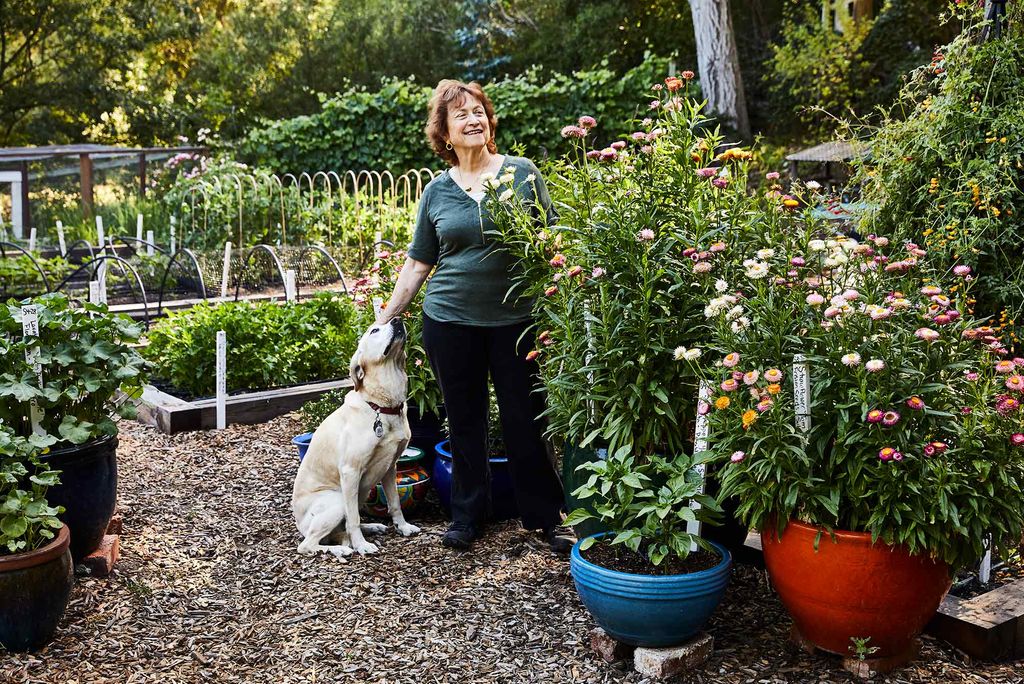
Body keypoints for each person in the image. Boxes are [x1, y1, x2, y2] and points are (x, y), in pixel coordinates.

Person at [375, 79, 573, 553]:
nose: (474, 119)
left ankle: (545, 516)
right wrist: (385, 316)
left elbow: (552, 243)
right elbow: (420, 262)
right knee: (464, 421)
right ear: (443, 133)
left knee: (526, 418)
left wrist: (565, 289)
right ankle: (467, 516)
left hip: (516, 321)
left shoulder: (521, 174)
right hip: (450, 321)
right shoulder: (436, 192)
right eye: (461, 114)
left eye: (479, 111)